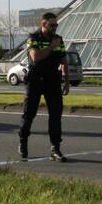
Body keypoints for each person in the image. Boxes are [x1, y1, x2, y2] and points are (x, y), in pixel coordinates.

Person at [18, 12, 70, 162]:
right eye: (51, 25)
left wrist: (67, 81)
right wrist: (51, 47)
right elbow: (35, 57)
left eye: (56, 25)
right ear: (43, 24)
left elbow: (63, 60)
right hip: (35, 79)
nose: (55, 28)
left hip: (52, 80)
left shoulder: (58, 39)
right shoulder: (33, 38)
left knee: (55, 115)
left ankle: (55, 148)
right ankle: (23, 141)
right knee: (29, 114)